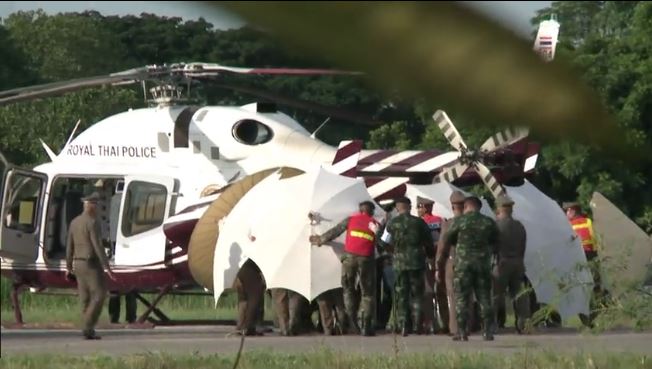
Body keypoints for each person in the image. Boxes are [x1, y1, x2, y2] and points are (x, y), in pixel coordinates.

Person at [310, 201, 380, 336]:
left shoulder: (351, 219)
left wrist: (319, 240)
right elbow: (381, 242)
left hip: (349, 259)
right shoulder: (374, 224)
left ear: (360, 210)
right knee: (367, 294)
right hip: (366, 260)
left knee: (348, 290)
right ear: (371, 211)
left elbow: (335, 232)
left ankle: (352, 321)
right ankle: (365, 325)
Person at [441, 195, 499, 341]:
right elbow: (496, 241)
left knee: (461, 298)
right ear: (479, 207)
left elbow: (448, 239)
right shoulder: (488, 222)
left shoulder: (459, 221)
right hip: (482, 265)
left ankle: (462, 331)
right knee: (484, 297)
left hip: (463, 265)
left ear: (466, 207)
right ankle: (487, 331)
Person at [65, 192, 117, 340]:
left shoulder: (74, 222)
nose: (99, 208)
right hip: (91, 263)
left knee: (85, 298)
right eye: (97, 205)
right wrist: (107, 267)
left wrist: (68, 266)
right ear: (92, 206)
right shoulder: (92, 222)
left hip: (78, 263)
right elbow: (97, 245)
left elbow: (69, 246)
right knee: (99, 295)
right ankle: (87, 326)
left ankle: (88, 330)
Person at [383, 196, 434, 336]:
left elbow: (383, 242)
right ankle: (417, 325)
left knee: (402, 294)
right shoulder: (420, 223)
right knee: (417, 294)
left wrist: (393, 252)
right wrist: (430, 255)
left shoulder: (392, 224)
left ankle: (404, 326)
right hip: (417, 262)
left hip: (399, 264)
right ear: (410, 207)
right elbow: (429, 243)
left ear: (398, 208)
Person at [563, 201, 605, 328]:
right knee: (595, 288)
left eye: (567, 211)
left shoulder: (568, 225)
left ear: (572, 210)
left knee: (579, 291)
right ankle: (596, 314)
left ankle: (586, 319)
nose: (565, 214)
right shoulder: (589, 222)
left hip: (577, 260)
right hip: (592, 258)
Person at [493, 194, 530, 333]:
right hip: (518, 263)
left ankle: (493, 324)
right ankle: (523, 324)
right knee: (520, 295)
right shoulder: (519, 226)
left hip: (501, 263)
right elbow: (523, 246)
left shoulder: (496, 226)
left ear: (498, 208)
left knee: (496, 296)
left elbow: (492, 246)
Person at [434, 190, 466, 336]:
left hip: (453, 263)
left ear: (452, 206)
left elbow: (442, 248)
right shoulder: (473, 222)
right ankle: (469, 325)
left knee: (453, 297)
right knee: (468, 295)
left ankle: (455, 328)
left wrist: (438, 267)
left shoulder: (448, 224)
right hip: (471, 262)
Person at [416, 197, 446, 334]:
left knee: (427, 293)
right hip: (440, 259)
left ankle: (430, 323)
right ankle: (446, 322)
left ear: (424, 208)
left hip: (426, 259)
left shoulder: (420, 223)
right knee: (441, 291)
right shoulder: (440, 221)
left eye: (419, 207)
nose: (417, 210)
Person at [233, 259, 266, 336]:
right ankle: (247, 326)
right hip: (250, 269)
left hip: (241, 269)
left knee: (244, 300)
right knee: (254, 299)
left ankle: (242, 326)